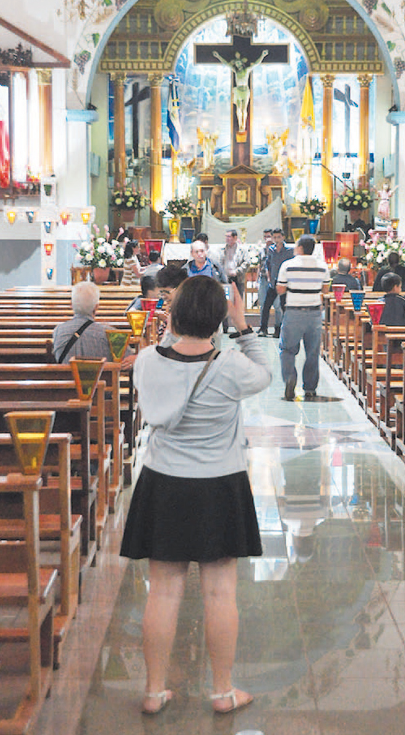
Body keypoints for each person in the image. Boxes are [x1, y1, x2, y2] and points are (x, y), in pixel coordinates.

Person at [119, 277, 272, 715]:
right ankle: (222, 692)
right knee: (220, 593)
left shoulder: (146, 360)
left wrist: (174, 321)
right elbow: (264, 374)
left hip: (163, 481)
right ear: (219, 321)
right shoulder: (230, 366)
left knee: (162, 591)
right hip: (218, 483)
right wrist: (243, 327)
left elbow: (174, 349)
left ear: (175, 315)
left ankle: (152, 691)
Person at [276, 234, 329, 401]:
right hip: (314, 313)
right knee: (312, 352)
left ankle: (290, 378)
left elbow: (280, 290)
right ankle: (310, 388)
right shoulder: (322, 266)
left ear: (300, 248)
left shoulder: (288, 265)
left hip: (294, 312)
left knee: (287, 349)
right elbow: (326, 290)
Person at [52, 281, 134, 366]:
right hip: (102, 379)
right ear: (96, 307)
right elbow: (128, 360)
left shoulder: (58, 331)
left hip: (68, 379)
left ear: (71, 305)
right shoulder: (111, 334)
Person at [212, 48, 269, 134]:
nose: (238, 65)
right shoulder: (236, 72)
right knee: (238, 109)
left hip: (245, 90)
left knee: (244, 109)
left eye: (239, 63)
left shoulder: (246, 70)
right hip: (238, 91)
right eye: (236, 64)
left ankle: (244, 125)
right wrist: (218, 56)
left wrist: (263, 55)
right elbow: (226, 64)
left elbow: (256, 64)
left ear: (242, 64)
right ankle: (240, 125)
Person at [258, 228, 293, 338]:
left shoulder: (289, 250)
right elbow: (268, 263)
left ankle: (280, 329)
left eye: (279, 237)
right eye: (275, 237)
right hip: (273, 283)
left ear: (283, 237)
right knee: (266, 305)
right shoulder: (271, 249)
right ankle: (263, 328)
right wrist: (269, 276)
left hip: (284, 283)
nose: (277, 239)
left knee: (283, 306)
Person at [154, 264, 188, 342]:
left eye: (166, 292)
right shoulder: (173, 311)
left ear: (181, 289)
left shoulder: (188, 314)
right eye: (161, 293)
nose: (164, 297)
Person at [218, 230, 250, 298]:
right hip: (225, 278)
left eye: (229, 236)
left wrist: (237, 271)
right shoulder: (223, 249)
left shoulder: (242, 250)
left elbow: (247, 262)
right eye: (226, 236)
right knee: (226, 300)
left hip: (238, 278)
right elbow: (219, 262)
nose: (227, 238)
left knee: (238, 299)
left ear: (235, 238)